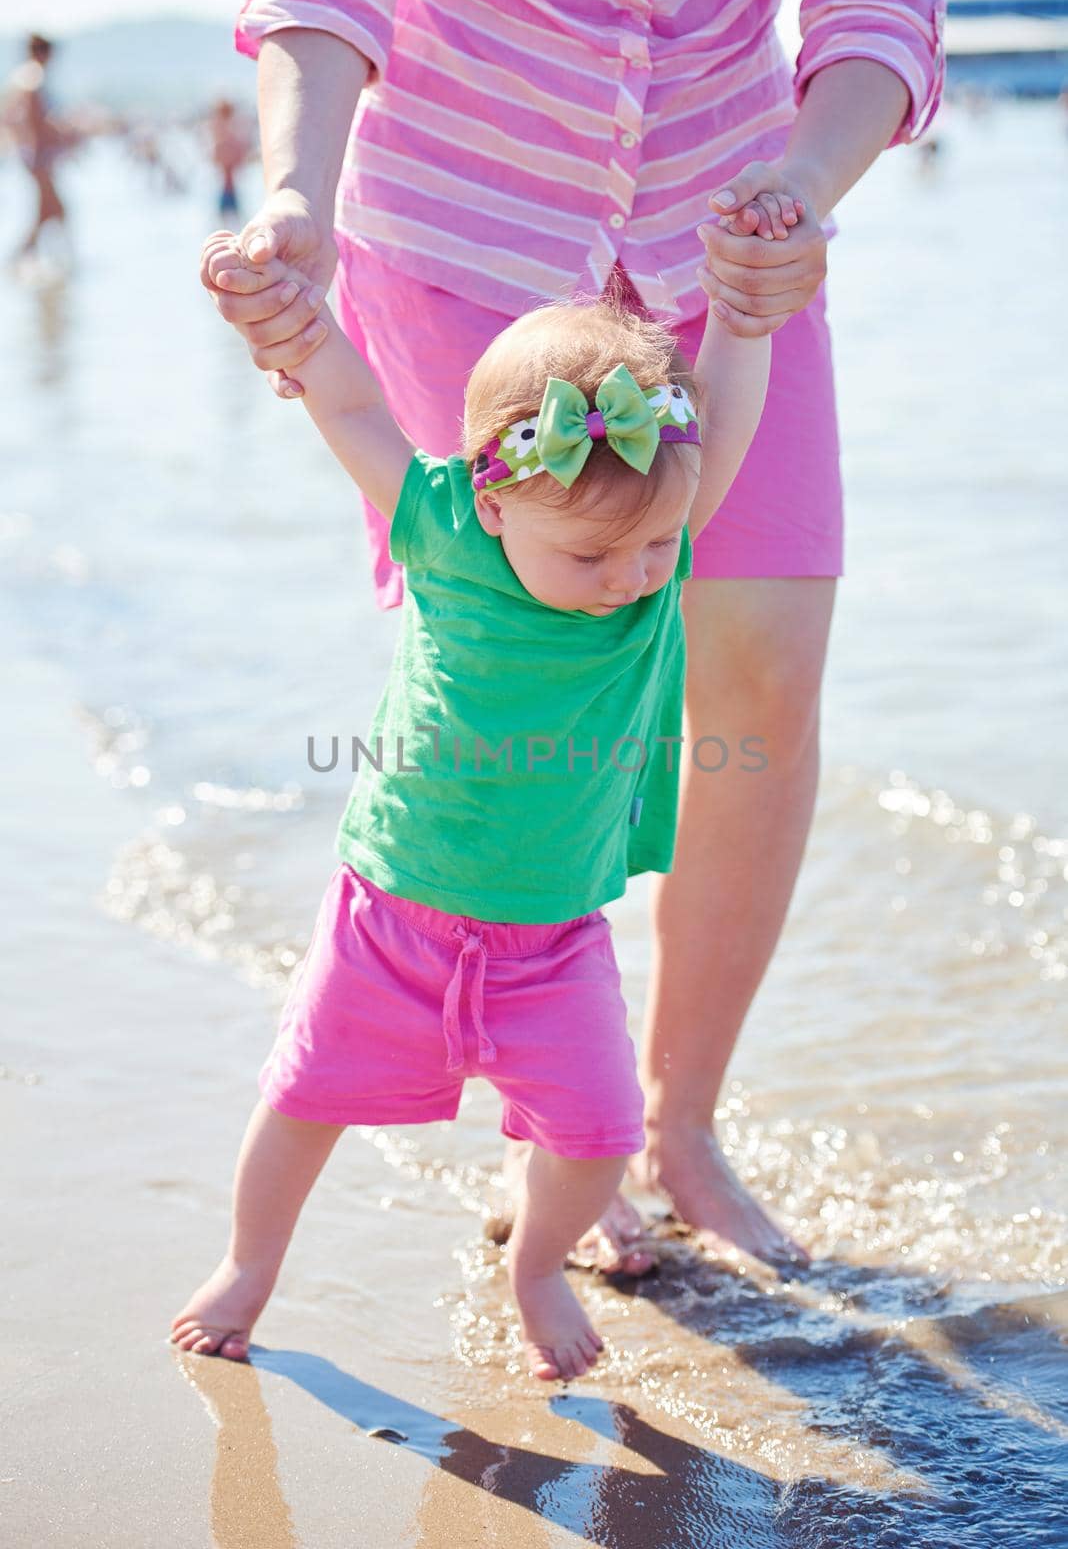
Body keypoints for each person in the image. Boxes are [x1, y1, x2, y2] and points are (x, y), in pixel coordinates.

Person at [200, 0, 947, 1276]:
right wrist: (295, 195)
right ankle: (557, 1119)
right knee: (525, 667)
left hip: (736, 251)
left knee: (767, 687)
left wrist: (803, 188)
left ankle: (681, 1124)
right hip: (464, 230)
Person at [171, 201, 785, 1378]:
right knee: (303, 1099)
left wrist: (744, 317)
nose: (633, 579)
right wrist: (297, 326)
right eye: (592, 558)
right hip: (391, 914)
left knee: (601, 1132)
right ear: (495, 503)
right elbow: (353, 406)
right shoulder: (448, 528)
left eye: (655, 547)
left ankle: (538, 1261)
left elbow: (727, 422)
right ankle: (250, 1264)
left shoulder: (655, 544)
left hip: (552, 939)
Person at [4, 33, 71, 262]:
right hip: (37, 153)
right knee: (56, 209)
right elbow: (35, 118)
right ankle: (62, 261)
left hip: (30, 152)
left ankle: (27, 258)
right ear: (44, 53)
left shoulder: (22, 76)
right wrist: (51, 138)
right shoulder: (34, 76)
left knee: (47, 210)